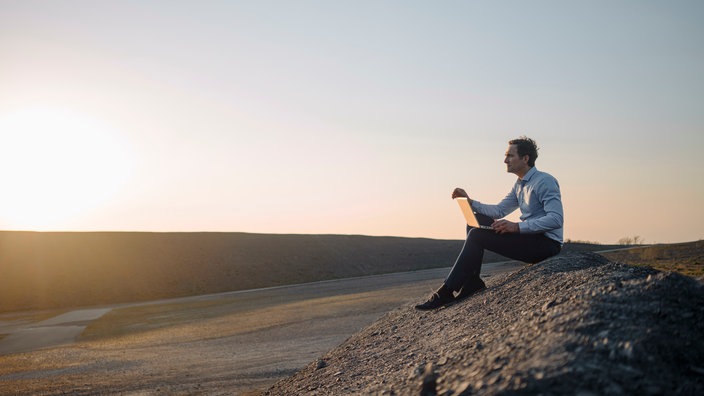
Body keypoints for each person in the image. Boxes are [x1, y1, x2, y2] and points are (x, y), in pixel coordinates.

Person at [415, 136, 564, 310]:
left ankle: (446, 291)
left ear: (525, 158)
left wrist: (516, 227)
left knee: (477, 235)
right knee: (475, 221)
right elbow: (499, 210)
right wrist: (470, 202)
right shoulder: (520, 184)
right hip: (530, 238)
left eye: (510, 156)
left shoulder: (544, 181)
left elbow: (556, 219)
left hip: (546, 245)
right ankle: (472, 282)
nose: (505, 160)